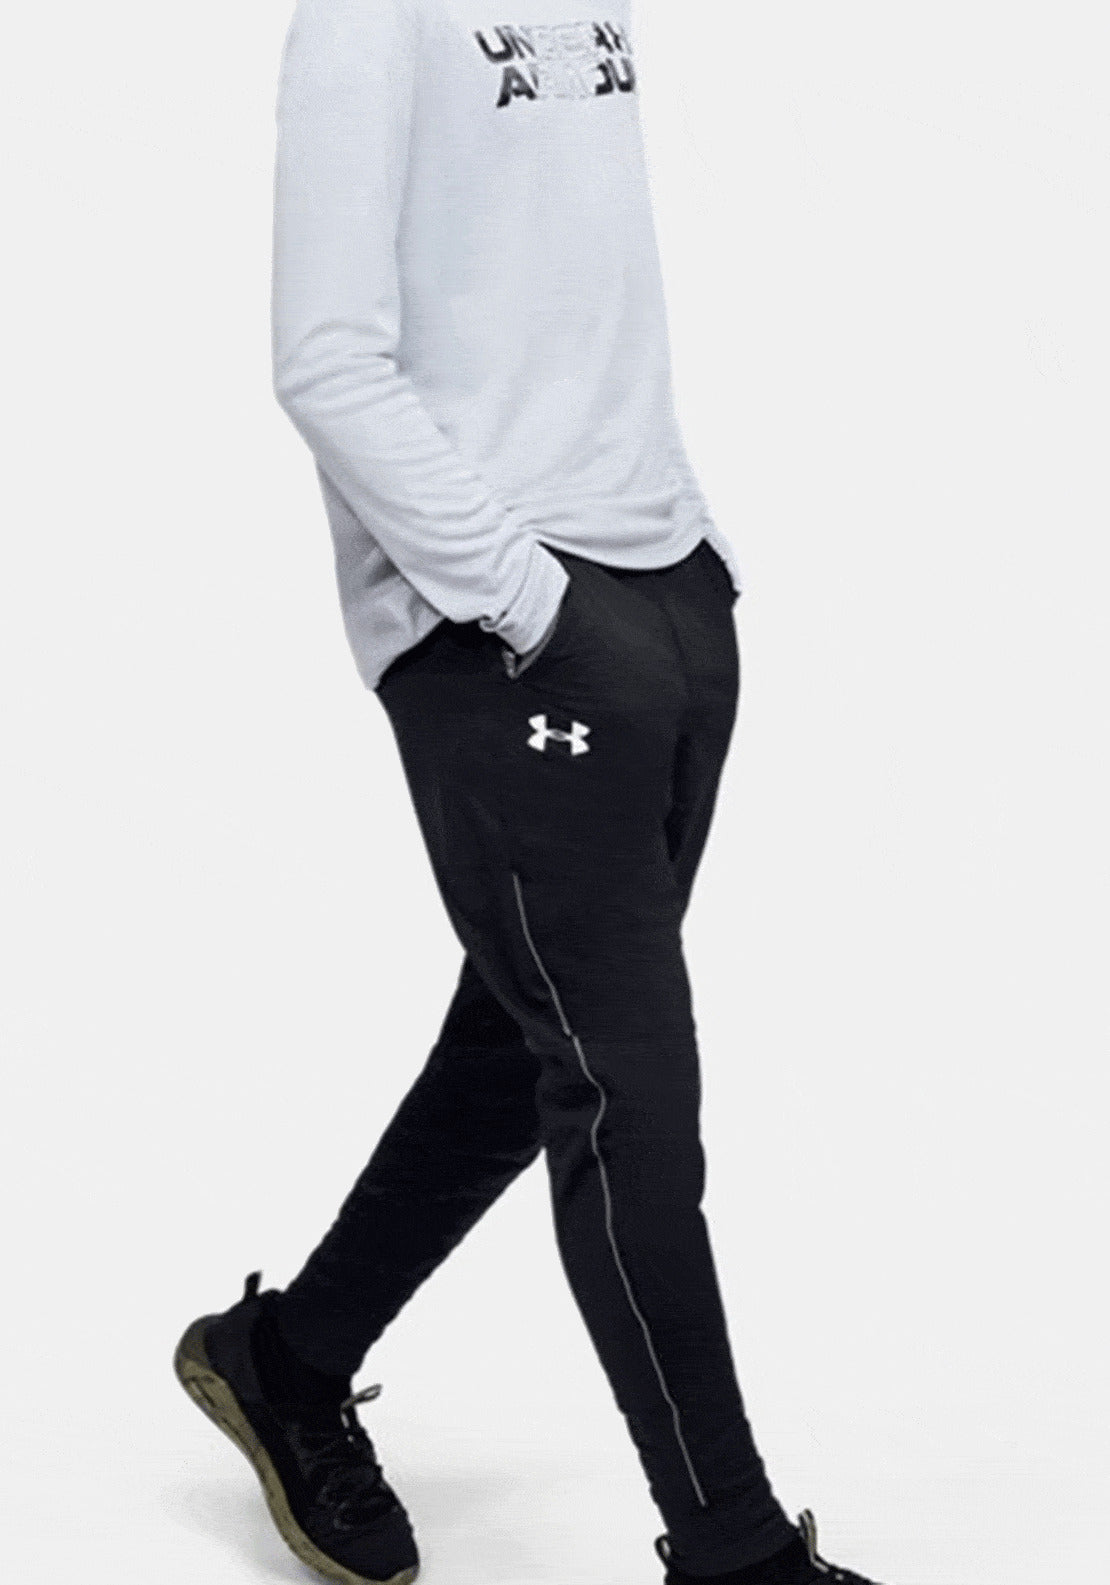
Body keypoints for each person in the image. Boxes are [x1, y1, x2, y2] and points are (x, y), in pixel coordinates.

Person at [174, 2, 888, 1582]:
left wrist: (682, 554)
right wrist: (523, 597)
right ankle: (734, 1549)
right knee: (625, 1089)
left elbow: (569, 293)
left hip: (660, 587)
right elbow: (323, 358)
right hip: (506, 624)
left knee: (526, 1038)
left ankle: (287, 1360)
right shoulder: (365, 22)